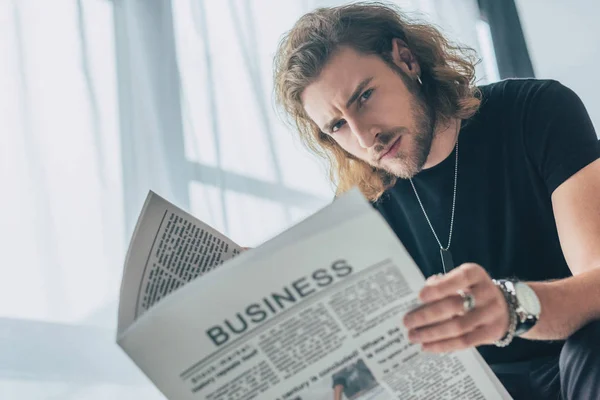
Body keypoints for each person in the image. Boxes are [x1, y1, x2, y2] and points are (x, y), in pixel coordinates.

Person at [273, 3, 600, 399]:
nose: (364, 137)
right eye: (338, 125)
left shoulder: (535, 110)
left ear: (406, 59)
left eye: (364, 97)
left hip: (578, 362)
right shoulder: (368, 209)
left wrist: (512, 307)